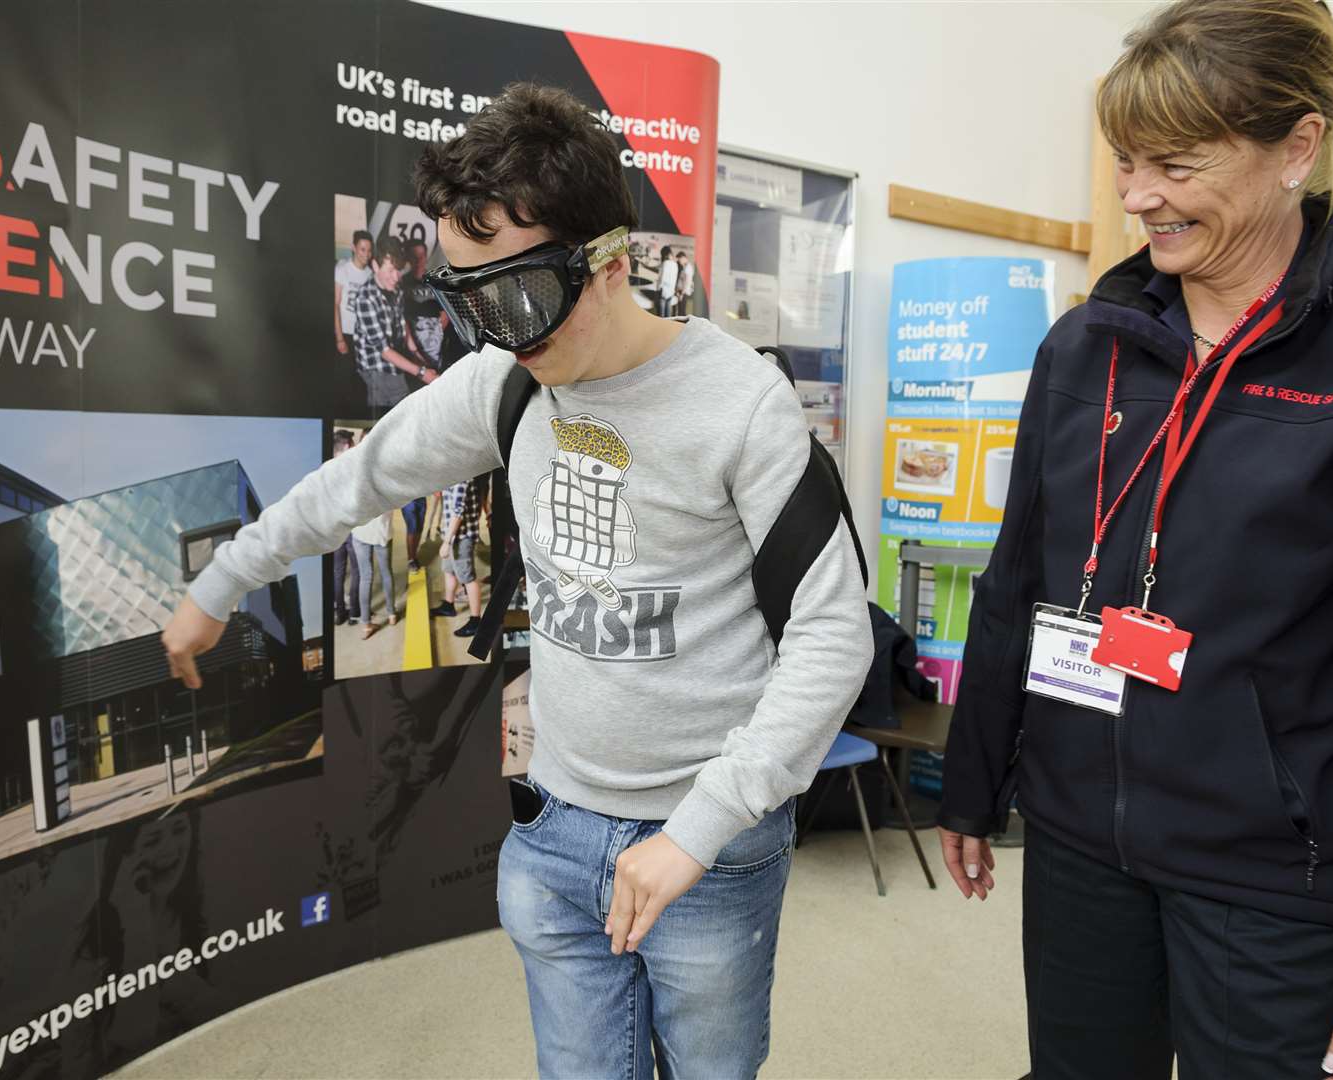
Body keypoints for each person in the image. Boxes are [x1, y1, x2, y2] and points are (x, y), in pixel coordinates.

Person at [161, 82, 870, 1078]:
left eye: (521, 294)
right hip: (556, 832)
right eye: (470, 299)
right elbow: (356, 481)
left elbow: (832, 637)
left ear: (610, 260)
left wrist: (700, 832)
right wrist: (218, 584)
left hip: (709, 845)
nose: (503, 332)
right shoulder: (507, 382)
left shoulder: (740, 405)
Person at [935, 4, 1333, 1079]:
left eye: (1177, 164)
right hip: (1077, 844)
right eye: (1125, 161)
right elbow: (1016, 576)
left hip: (1274, 875)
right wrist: (971, 782)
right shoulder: (1086, 346)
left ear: (1295, 148)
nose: (1137, 194)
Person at [353, 235, 439, 416]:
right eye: (391, 270)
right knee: (401, 413)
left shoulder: (396, 288)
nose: (396, 277)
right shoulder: (365, 298)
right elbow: (384, 351)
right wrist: (422, 372)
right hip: (376, 366)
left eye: (399, 270)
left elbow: (402, 322)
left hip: (396, 358)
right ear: (375, 266)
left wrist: (418, 354)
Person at [430, 476, 484, 638]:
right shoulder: (452, 475)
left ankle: (476, 621)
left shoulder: (462, 478)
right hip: (452, 534)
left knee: (468, 578)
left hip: (461, 537)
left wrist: (446, 542)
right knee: (449, 570)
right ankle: (448, 605)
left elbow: (458, 512)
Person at [350, 507, 397, 638]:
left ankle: (366, 625)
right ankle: (391, 614)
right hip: (381, 532)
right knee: (386, 573)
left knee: (365, 577)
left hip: (360, 532)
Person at [402, 238, 447, 371]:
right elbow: (400, 315)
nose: (419, 260)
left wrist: (435, 335)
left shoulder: (435, 281)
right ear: (409, 258)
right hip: (412, 339)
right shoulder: (402, 282)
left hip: (435, 338)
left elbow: (446, 313)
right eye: (415, 256)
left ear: (426, 256)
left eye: (422, 256)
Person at [331, 429, 360, 626]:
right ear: (348, 445)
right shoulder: (354, 467)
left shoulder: (327, 467)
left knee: (338, 572)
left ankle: (339, 612)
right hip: (353, 528)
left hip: (334, 529)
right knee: (357, 570)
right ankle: (354, 613)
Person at [334, 229, 373, 362]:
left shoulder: (370, 274)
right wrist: (340, 339)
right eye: (362, 249)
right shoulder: (342, 269)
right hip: (345, 334)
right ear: (353, 248)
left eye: (369, 250)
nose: (366, 254)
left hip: (363, 336)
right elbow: (336, 304)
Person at [655, 243, 678, 317]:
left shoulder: (665, 263)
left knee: (661, 315)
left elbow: (662, 278)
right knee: (668, 315)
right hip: (671, 291)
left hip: (663, 291)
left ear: (664, 254)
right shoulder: (675, 264)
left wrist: (658, 288)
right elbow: (675, 279)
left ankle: (660, 328)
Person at [675, 249, 695, 316]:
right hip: (681, 291)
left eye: (679, 259)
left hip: (683, 292)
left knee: (682, 312)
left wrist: (682, 294)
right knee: (680, 311)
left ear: (683, 258)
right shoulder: (685, 267)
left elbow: (687, 282)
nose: (679, 261)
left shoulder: (688, 268)